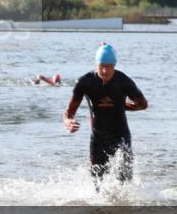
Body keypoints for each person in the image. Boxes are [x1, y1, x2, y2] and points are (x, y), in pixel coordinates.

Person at [63, 43, 147, 184]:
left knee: (125, 181)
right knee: (97, 183)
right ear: (96, 64)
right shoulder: (85, 82)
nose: (104, 70)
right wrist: (68, 122)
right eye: (101, 66)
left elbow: (143, 105)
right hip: (98, 138)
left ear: (114, 65)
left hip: (121, 136)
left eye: (108, 66)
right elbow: (68, 113)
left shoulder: (124, 82)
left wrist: (122, 106)